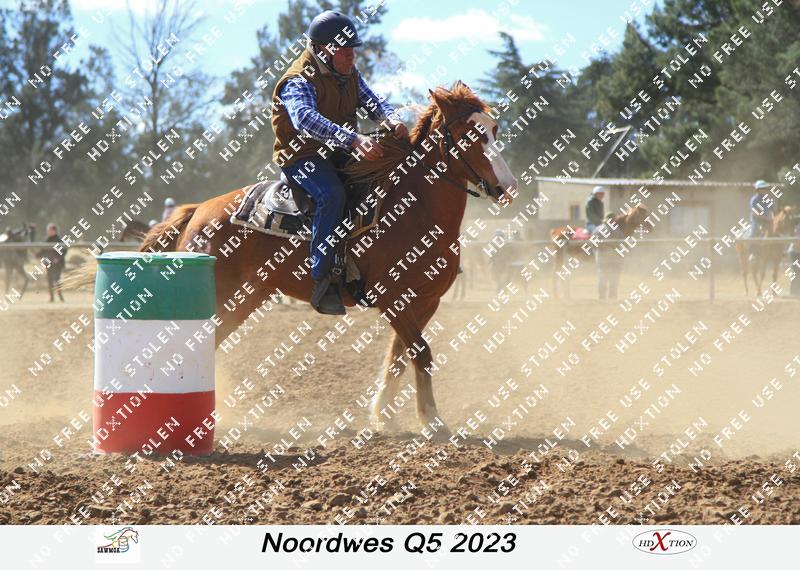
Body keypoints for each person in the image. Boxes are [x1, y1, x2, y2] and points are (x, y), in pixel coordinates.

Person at [271, 10, 408, 315]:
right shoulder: (297, 80)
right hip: (302, 157)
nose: (351, 57)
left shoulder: (349, 73)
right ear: (323, 50)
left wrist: (392, 119)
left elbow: (373, 101)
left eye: (352, 50)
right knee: (332, 195)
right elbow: (305, 119)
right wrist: (354, 140)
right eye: (345, 51)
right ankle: (323, 278)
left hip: (337, 152)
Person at [596, 212, 624, 300]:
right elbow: (622, 242)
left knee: (602, 277)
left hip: (602, 257)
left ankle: (602, 296)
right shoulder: (617, 230)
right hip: (615, 258)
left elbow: (593, 243)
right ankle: (612, 296)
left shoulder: (597, 229)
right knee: (614, 277)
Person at [37, 223, 65, 303]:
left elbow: (64, 251)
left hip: (58, 264)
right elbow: (42, 250)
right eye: (48, 230)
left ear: (54, 231)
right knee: (50, 281)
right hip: (48, 264)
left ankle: (61, 297)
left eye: (50, 230)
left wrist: (58, 258)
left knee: (57, 280)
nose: (48, 232)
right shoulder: (46, 240)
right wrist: (37, 254)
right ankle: (51, 298)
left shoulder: (60, 240)